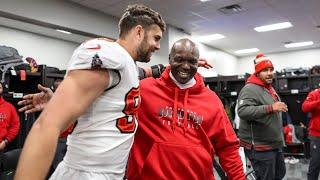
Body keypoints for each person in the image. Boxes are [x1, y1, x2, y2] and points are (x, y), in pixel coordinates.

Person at [15, 4, 166, 180]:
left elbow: (142, 73)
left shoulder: (127, 64)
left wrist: (178, 66)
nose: (158, 46)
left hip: (108, 173)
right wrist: (58, 106)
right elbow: (46, 125)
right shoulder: (111, 56)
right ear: (139, 32)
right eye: (156, 38)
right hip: (86, 174)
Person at [127, 38, 245, 179]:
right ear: (169, 59)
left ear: (197, 63)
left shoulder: (211, 100)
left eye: (191, 61)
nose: (186, 66)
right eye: (179, 59)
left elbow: (228, 147)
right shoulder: (144, 90)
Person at [237, 53, 287, 180]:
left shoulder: (268, 87)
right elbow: (242, 111)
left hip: (273, 144)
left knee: (279, 174)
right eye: (265, 70)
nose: (269, 73)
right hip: (260, 146)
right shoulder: (250, 89)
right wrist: (271, 107)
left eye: (271, 70)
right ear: (257, 73)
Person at [302, 88, 320, 180]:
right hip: (316, 135)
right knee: (315, 164)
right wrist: (318, 102)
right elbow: (304, 107)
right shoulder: (314, 93)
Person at [0, 82, 20, 153]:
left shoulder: (9, 107)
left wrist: (6, 141)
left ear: (2, 90)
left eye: (0, 88)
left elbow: (15, 125)